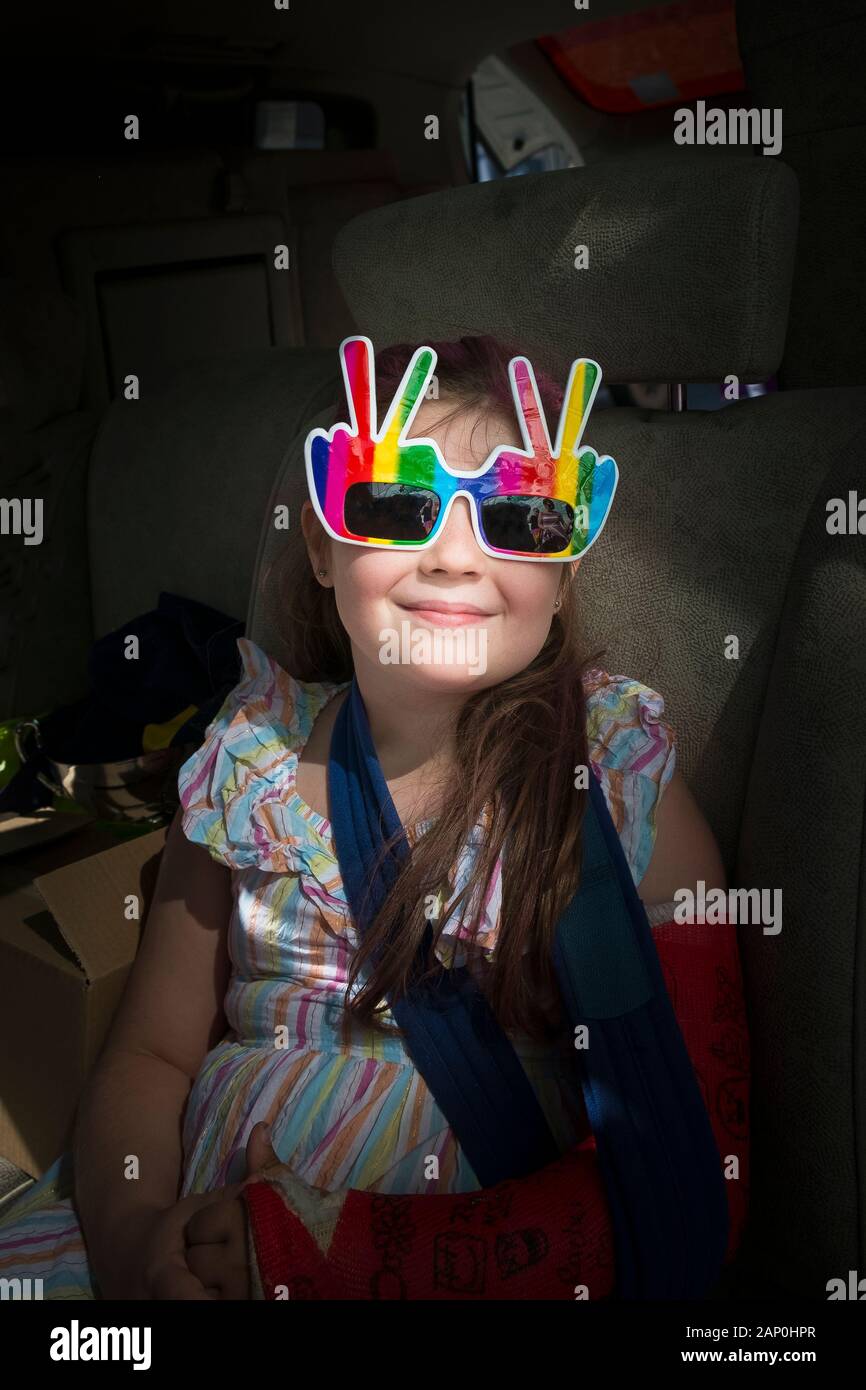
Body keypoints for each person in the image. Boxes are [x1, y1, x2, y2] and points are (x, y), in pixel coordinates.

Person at [0, 334, 749, 1300]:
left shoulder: (614, 785)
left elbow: (691, 1181)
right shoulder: (251, 766)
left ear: (562, 574)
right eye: (396, 505)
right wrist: (138, 1237)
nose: (452, 556)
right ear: (320, 546)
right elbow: (147, 1055)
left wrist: (345, 1259)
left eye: (519, 515)